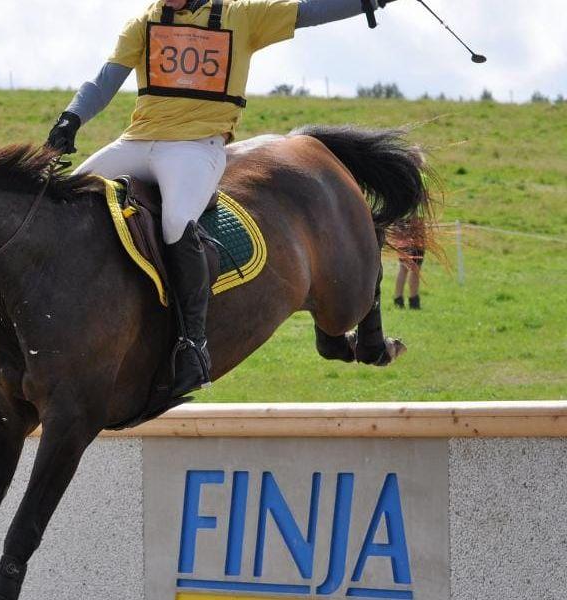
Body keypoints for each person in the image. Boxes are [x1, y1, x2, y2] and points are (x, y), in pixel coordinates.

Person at [46, 0, 397, 398]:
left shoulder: (242, 16)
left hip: (195, 149)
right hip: (137, 142)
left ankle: (192, 344)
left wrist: (366, 2)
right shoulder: (145, 21)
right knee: (59, 203)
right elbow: (104, 80)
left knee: (177, 223)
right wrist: (71, 118)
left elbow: (307, 12)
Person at [393, 218, 424, 309]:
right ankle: (407, 299)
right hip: (409, 232)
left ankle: (405, 299)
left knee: (410, 268)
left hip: (409, 232)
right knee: (409, 268)